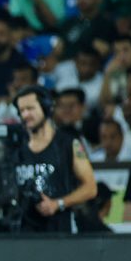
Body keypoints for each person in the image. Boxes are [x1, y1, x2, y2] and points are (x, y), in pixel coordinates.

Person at [12, 85, 97, 233]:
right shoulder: (15, 148)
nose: (25, 115)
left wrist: (58, 204)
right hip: (22, 232)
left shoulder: (69, 144)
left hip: (58, 231)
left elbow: (90, 188)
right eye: (21, 111)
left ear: (46, 107)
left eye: (30, 109)